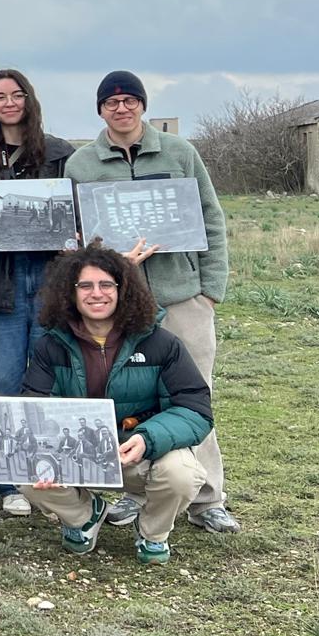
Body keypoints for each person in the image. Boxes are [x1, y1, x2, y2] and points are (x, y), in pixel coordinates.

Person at [64, 71, 236, 534]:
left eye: (129, 100)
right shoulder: (81, 164)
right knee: (129, 395)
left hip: (182, 296)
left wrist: (210, 288)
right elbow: (77, 236)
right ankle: (136, 494)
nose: (121, 109)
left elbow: (210, 218)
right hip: (119, 305)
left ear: (142, 105)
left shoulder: (181, 153)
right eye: (112, 102)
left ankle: (207, 498)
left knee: (193, 393)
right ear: (100, 109)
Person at [18, 242, 212, 564]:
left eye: (107, 284)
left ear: (123, 290)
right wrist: (51, 454)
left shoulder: (161, 343)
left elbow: (195, 408)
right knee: (25, 468)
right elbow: (34, 408)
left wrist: (147, 439)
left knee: (184, 473)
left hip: (137, 454)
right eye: (86, 285)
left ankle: (152, 533)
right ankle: (83, 517)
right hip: (79, 459)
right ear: (70, 292)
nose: (97, 294)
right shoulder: (50, 347)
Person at [0, 70, 76, 518]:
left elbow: (77, 213)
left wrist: (77, 235)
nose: (8, 103)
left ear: (29, 100)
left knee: (50, 382)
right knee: (4, 386)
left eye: (16, 95)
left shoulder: (61, 154)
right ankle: (10, 484)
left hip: (51, 280)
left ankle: (49, 480)